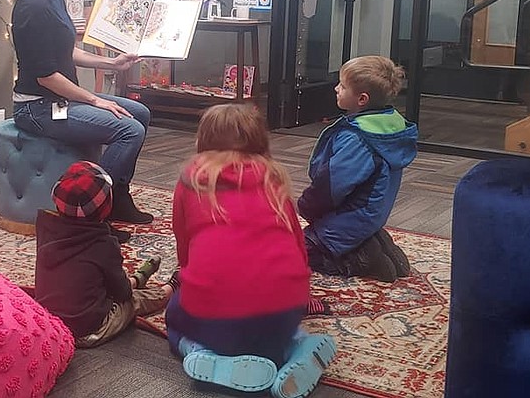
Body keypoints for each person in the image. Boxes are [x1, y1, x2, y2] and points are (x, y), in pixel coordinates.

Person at [166, 104, 336, 398]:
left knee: (174, 317)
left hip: (214, 314)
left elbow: (183, 241)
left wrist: (189, 277)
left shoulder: (191, 179)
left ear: (202, 140)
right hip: (285, 308)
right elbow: (297, 242)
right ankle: (295, 350)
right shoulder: (274, 180)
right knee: (272, 331)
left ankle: (201, 354)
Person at [10, 0, 153, 236]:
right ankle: (92, 214)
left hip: (59, 100)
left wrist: (111, 62)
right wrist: (95, 99)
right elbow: (46, 77)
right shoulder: (32, 7)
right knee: (128, 129)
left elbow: (66, 52)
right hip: (37, 107)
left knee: (140, 113)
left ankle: (119, 197)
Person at [298, 56, 417, 282]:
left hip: (352, 215)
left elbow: (333, 184)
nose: (336, 88)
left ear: (361, 99)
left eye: (342, 86)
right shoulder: (387, 126)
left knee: (299, 252)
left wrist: (308, 205)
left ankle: (364, 259)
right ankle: (374, 242)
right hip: (370, 214)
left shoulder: (359, 139)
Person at [35, 161, 173, 348]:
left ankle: (137, 279)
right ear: (107, 208)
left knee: (93, 280)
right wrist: (127, 287)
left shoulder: (45, 227)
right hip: (90, 330)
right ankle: (171, 288)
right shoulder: (103, 243)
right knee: (133, 302)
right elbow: (122, 293)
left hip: (51, 322)